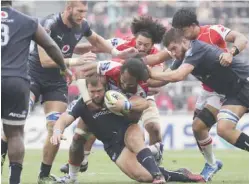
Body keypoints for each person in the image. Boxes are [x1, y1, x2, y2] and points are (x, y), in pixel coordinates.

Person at [14, 1, 136, 183]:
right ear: (68, 9)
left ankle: (44, 176)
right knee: (18, 119)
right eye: (79, 11)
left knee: (53, 126)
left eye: (85, 11)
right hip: (33, 77)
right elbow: (46, 60)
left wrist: (115, 52)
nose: (83, 15)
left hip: (56, 83)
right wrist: (75, 61)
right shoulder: (49, 24)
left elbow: (95, 40)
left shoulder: (82, 25)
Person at [60, 15, 167, 174]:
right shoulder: (122, 43)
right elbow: (96, 46)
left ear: (152, 44)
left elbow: (158, 79)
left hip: (138, 93)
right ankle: (82, 159)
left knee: (154, 127)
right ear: (134, 38)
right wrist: (72, 46)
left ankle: (155, 162)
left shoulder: (156, 56)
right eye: (139, 43)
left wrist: (144, 79)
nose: (142, 47)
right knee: (92, 121)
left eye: (146, 45)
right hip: (114, 90)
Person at [51, 75, 204, 184]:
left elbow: (142, 102)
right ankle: (182, 174)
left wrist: (126, 106)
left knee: (135, 140)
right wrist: (57, 131)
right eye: (92, 92)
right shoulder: (82, 104)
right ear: (87, 91)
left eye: (99, 90)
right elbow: (64, 118)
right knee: (143, 177)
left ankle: (158, 174)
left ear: (104, 87)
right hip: (112, 145)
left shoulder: (114, 95)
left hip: (127, 129)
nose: (96, 95)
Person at [170, 8, 248, 181]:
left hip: (225, 89)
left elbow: (242, 38)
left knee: (216, 128)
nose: (180, 34)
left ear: (192, 26)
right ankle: (212, 164)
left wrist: (230, 52)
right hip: (209, 90)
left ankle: (212, 164)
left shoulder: (213, 31)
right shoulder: (185, 43)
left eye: (182, 30)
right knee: (198, 128)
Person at [150, 28, 249, 158]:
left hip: (245, 81)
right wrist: (141, 79)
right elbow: (164, 78)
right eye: (171, 51)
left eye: (174, 48)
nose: (173, 54)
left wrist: (151, 73)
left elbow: (177, 76)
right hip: (234, 94)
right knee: (223, 129)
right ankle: (211, 164)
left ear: (184, 41)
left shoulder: (196, 49)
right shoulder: (182, 57)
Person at [1, 1, 70, 183]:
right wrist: (64, 67)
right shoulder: (28, 21)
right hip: (16, 80)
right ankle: (14, 181)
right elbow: (51, 46)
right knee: (15, 133)